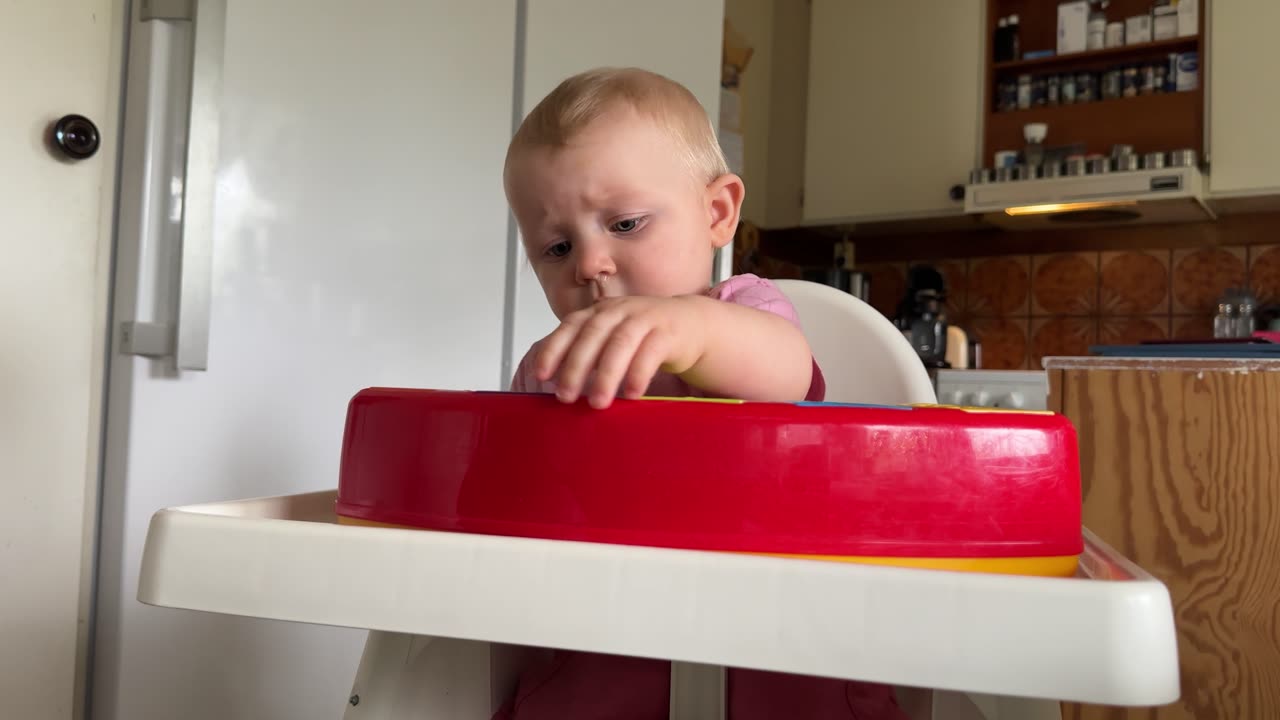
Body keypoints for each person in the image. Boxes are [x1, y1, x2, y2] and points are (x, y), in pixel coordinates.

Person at [498, 66, 907, 720]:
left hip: (770, 651)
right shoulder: (551, 367)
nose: (589, 264)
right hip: (603, 644)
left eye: (625, 224)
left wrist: (690, 330)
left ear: (717, 213)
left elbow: (786, 373)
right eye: (555, 246)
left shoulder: (746, 312)